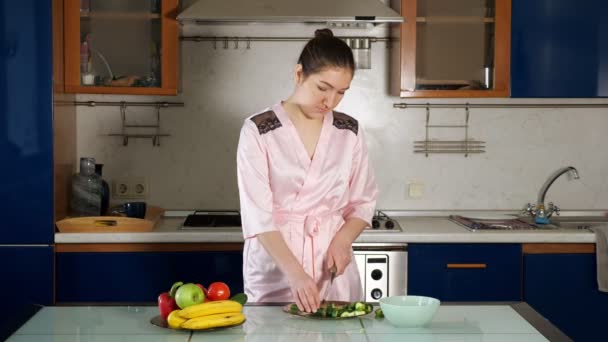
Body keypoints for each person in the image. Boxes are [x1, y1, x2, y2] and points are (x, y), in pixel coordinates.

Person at [236, 28, 378, 313]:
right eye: (322, 88)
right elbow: (258, 217)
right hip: (277, 268)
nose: (330, 102)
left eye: (341, 93)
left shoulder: (348, 130)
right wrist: (296, 275)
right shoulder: (259, 130)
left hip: (332, 267)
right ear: (299, 74)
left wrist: (343, 240)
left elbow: (363, 202)